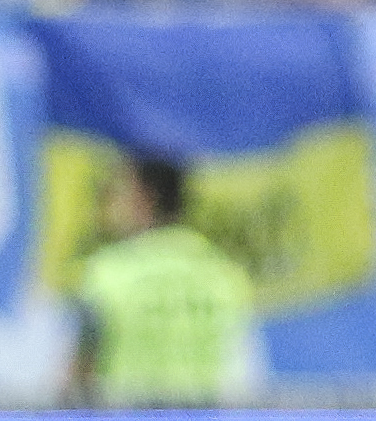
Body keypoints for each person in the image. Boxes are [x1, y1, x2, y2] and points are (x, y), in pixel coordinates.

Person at [70, 156, 261, 406]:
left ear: (143, 197)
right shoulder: (224, 274)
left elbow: (82, 372)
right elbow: (242, 368)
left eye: (120, 192)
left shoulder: (106, 274)